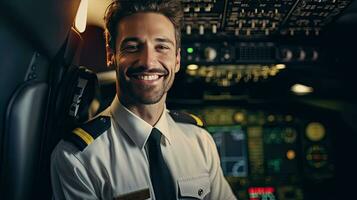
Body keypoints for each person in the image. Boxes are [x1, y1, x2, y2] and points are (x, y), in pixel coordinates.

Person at [51, 0, 237, 199]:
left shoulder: (200, 141)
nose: (148, 61)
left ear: (177, 59)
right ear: (111, 54)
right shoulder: (77, 158)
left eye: (162, 47)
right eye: (132, 47)